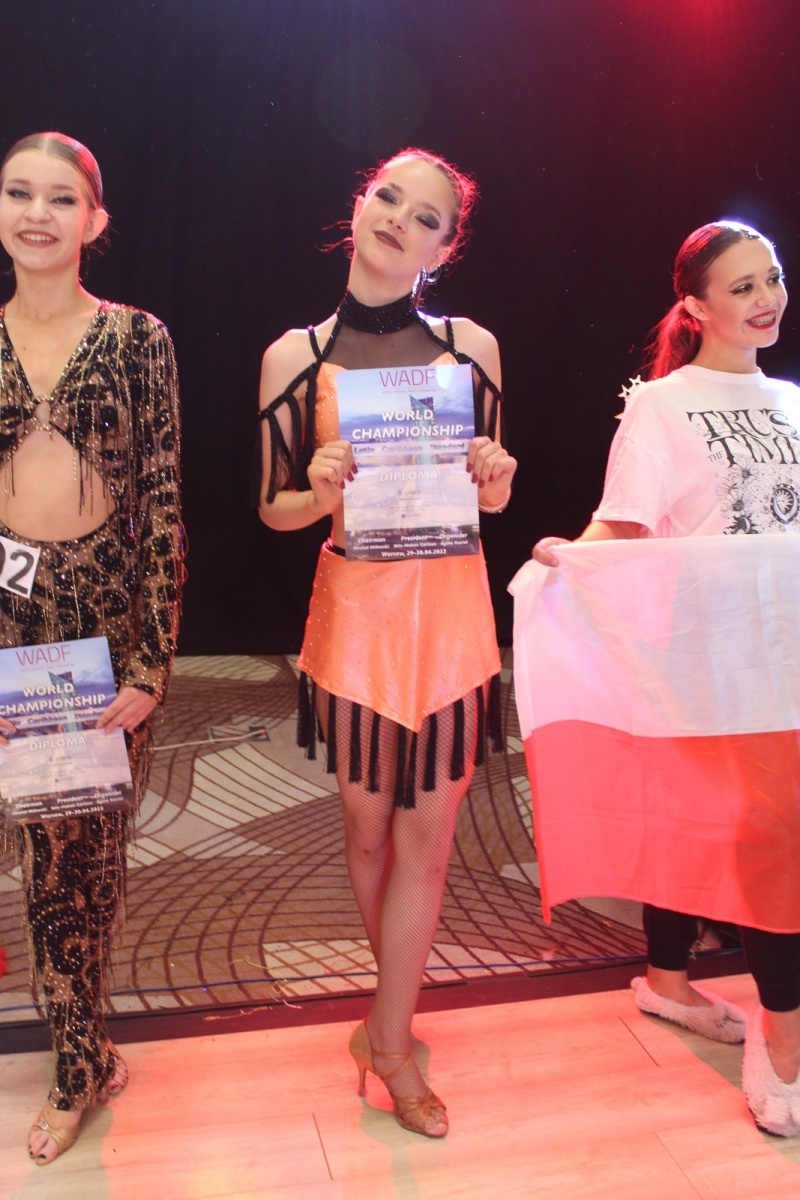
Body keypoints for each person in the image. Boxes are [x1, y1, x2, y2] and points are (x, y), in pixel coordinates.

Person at [258, 149, 516, 1137]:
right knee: (368, 834)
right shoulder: (295, 356)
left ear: (442, 249)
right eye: (388, 196)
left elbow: (488, 492)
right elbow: (274, 508)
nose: (399, 218)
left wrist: (495, 477)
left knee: (429, 842)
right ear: (361, 203)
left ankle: (393, 1043)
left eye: (426, 217)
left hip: (450, 616)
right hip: (357, 619)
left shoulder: (470, 348)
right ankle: (389, 1017)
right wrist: (317, 487)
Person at [533, 220, 800, 1136]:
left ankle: (668, 980)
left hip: (791, 655)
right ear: (696, 305)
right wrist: (569, 559)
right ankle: (783, 1039)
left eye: (772, 278)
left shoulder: (792, 401)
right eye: (742, 287)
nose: (766, 299)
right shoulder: (662, 405)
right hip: (713, 660)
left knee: (731, 825)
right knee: (769, 839)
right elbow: (624, 523)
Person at [0, 132, 183, 1163]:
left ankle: (85, 1047)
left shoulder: (136, 337)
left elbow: (163, 501)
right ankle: (76, 1067)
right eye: (18, 193)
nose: (37, 213)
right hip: (12, 630)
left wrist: (153, 661)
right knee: (42, 859)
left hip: (103, 637)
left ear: (94, 220)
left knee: (92, 864)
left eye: (60, 198)